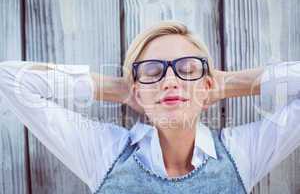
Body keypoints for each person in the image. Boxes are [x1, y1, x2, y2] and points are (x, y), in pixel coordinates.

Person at [0, 21, 299, 194]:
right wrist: (120, 89)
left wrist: (229, 84)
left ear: (208, 86)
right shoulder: (105, 154)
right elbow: (11, 79)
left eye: (187, 68)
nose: (170, 80)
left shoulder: (242, 155)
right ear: (136, 92)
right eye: (153, 72)